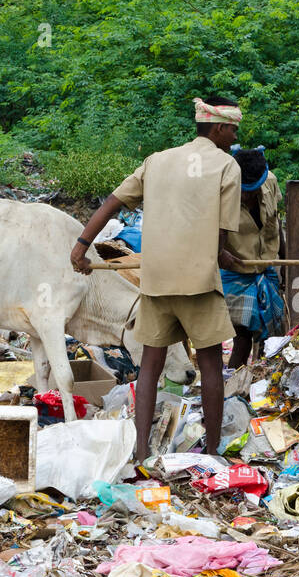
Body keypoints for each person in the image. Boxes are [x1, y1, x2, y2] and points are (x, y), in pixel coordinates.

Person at [70, 96, 243, 461]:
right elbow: (221, 237)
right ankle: (212, 452)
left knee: (150, 364)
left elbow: (111, 204)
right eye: (233, 129)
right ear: (219, 127)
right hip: (198, 281)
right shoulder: (226, 166)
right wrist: (228, 257)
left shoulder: (157, 161)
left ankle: (142, 452)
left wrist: (81, 246)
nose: (234, 137)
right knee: (210, 364)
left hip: (156, 278)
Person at [221, 145, 285, 368]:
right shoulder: (220, 193)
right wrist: (220, 253)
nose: (247, 195)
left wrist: (285, 262)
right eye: (243, 189)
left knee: (273, 337)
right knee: (242, 339)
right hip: (234, 272)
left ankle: (265, 383)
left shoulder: (270, 181)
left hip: (266, 268)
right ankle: (231, 389)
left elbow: (275, 224)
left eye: (252, 189)